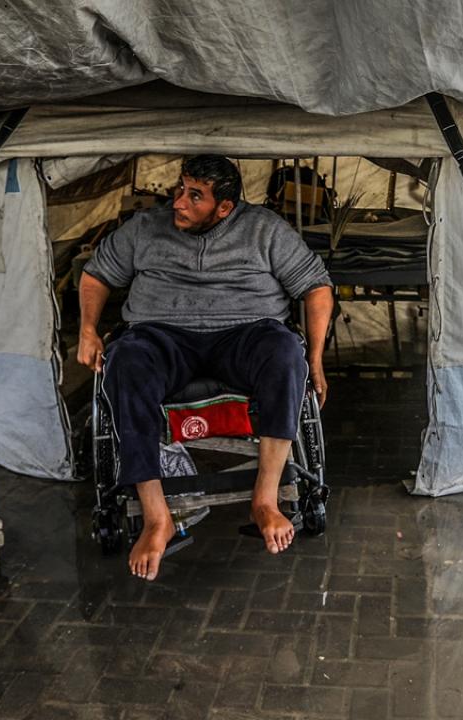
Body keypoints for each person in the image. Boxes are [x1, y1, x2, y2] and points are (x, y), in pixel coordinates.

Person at [77, 155, 333, 580]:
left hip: (244, 334)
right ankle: (157, 517)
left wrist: (316, 361)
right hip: (162, 335)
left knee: (286, 352)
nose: (179, 202)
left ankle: (265, 500)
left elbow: (316, 288)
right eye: (180, 189)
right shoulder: (145, 228)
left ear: (225, 207)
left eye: (195, 196)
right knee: (125, 361)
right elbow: (96, 275)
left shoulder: (264, 229)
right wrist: (88, 330)